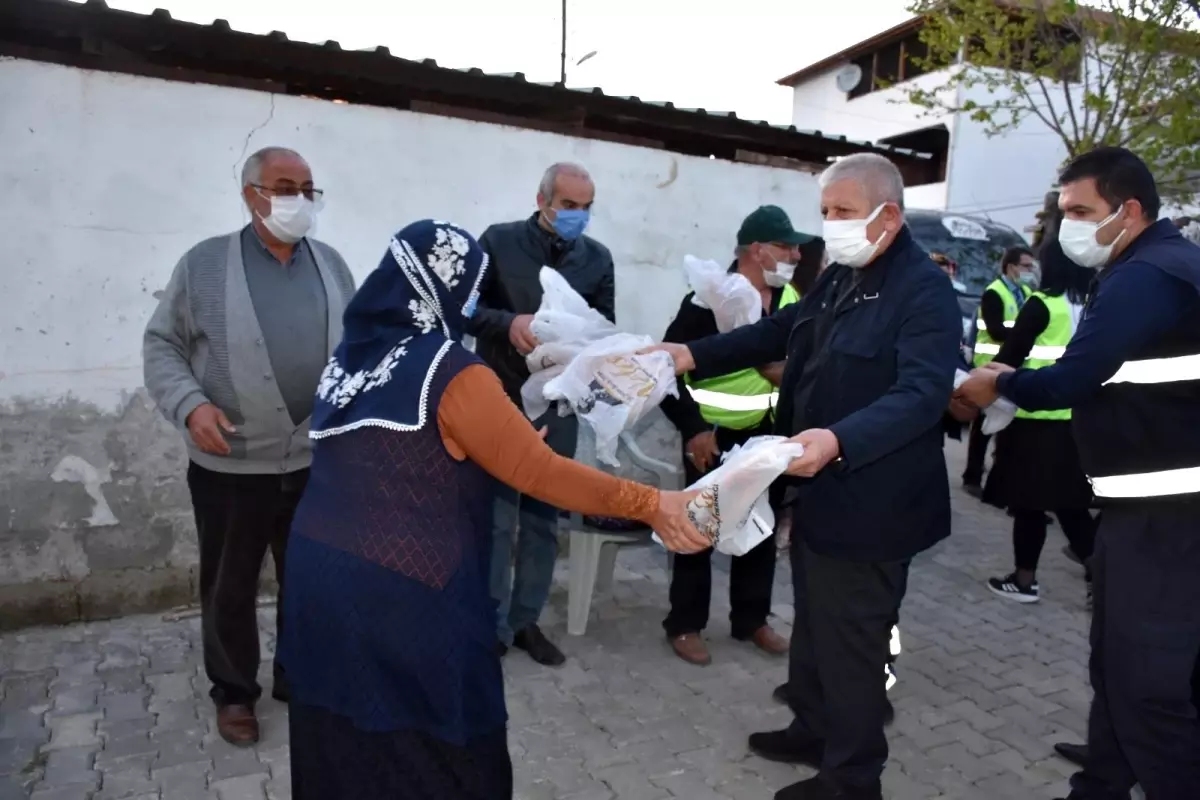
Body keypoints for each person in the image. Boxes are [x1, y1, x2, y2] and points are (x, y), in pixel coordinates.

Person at [278, 220, 708, 800]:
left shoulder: (348, 363)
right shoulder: (450, 368)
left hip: (319, 577)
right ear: (445, 290)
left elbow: (425, 449)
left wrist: (528, 407)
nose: (474, 304)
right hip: (408, 591)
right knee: (431, 741)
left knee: (341, 730)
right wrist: (653, 502)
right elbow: (538, 472)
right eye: (472, 291)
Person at [650, 152, 962, 800]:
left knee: (855, 645)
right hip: (818, 487)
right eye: (826, 212)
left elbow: (923, 393)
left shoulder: (922, 290)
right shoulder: (841, 274)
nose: (831, 224)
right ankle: (811, 729)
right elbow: (777, 331)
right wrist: (689, 353)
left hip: (875, 501)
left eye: (844, 212)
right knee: (818, 628)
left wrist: (839, 438)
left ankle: (851, 779)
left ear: (889, 215)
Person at [956, 147, 1200, 800]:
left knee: (1147, 684)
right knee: (1119, 666)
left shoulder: (1148, 275)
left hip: (1166, 520)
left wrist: (998, 381)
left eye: (1082, 211)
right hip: (1153, 513)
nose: (1068, 226)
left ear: (1131, 210)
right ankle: (1100, 782)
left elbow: (1074, 376)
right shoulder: (1171, 265)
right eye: (1064, 211)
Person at [142, 147, 356, 745]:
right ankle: (234, 693)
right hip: (231, 464)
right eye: (285, 186)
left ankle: (300, 674)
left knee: (310, 577)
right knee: (229, 584)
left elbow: (359, 346)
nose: (299, 199)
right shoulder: (205, 265)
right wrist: (191, 404)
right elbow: (162, 344)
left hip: (315, 460)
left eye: (308, 187)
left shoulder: (333, 265)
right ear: (250, 194)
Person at [467, 162, 614, 666]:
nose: (577, 216)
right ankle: (487, 625)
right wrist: (509, 323)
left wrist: (581, 351)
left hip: (559, 401)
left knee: (542, 517)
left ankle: (525, 621)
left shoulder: (597, 259)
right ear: (542, 199)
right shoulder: (498, 242)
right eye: (568, 205)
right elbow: (463, 307)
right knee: (495, 519)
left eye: (586, 207)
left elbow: (605, 330)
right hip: (499, 400)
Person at [657, 205, 808, 666]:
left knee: (759, 529)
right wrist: (695, 430)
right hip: (712, 440)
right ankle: (684, 625)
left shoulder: (790, 302)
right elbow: (664, 373)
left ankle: (751, 619)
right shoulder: (707, 302)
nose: (797, 255)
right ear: (758, 251)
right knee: (697, 530)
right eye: (787, 246)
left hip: (767, 438)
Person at [980, 238, 1096, 605]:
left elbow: (1010, 356)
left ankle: (1024, 580)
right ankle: (1103, 579)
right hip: (1078, 419)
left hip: (1036, 418)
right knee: (1071, 505)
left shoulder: (1042, 304)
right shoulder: (1095, 305)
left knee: (1029, 503)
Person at [962, 245, 1037, 495]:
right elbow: (995, 329)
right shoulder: (994, 292)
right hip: (989, 366)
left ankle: (998, 484)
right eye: (1026, 266)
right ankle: (972, 477)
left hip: (1014, 366)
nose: (1030, 271)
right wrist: (1024, 335)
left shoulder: (1026, 292)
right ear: (1011, 267)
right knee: (983, 427)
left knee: (1007, 428)